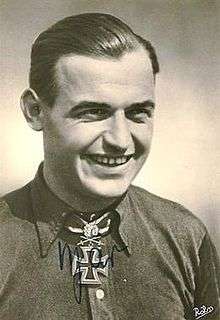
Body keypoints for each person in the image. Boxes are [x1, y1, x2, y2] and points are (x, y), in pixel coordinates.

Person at [0, 13, 219, 320]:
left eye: (138, 112)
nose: (120, 140)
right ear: (35, 111)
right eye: (93, 112)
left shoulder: (186, 236)